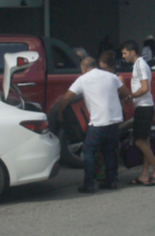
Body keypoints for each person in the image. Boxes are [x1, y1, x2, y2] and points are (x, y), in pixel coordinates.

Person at [51, 56, 131, 195]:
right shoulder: (111, 76)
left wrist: (59, 113)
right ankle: (111, 181)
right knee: (109, 151)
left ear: (84, 68)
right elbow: (125, 93)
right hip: (114, 121)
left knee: (88, 152)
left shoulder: (83, 79)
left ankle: (88, 184)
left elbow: (66, 98)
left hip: (99, 122)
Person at [122, 40, 155, 186]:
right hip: (142, 106)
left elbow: (145, 88)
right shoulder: (138, 65)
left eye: (125, 53)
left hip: (144, 107)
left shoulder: (140, 65)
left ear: (133, 52)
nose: (123, 56)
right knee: (144, 141)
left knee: (139, 141)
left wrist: (130, 96)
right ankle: (144, 175)